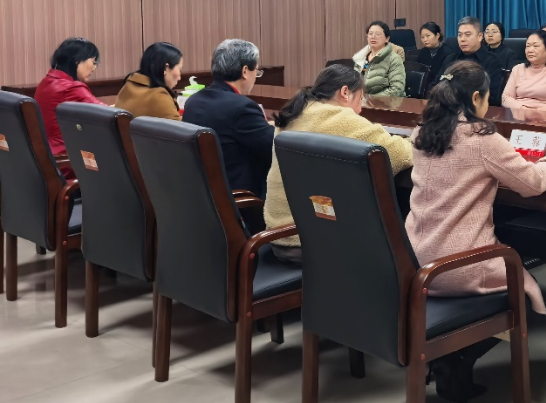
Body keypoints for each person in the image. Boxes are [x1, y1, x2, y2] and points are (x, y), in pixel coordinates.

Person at [408, 61, 546, 402]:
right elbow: (531, 183)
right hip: (458, 266)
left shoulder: (421, 132)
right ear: (476, 98)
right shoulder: (481, 138)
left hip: (415, 261)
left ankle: (449, 355)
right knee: (523, 289)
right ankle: (458, 356)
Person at [264, 64, 413, 264]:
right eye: (360, 98)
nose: (360, 109)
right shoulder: (339, 118)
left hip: (280, 235)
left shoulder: (294, 113)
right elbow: (400, 154)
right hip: (314, 243)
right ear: (345, 92)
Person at [182, 39, 274, 199]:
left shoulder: (194, 101)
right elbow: (273, 147)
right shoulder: (242, 107)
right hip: (241, 199)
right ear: (245, 71)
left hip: (203, 196)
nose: (256, 77)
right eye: (256, 71)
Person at [34, 37, 104, 160]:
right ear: (77, 61)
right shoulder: (72, 88)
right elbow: (109, 115)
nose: (94, 68)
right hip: (65, 157)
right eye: (93, 62)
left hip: (44, 153)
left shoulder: (47, 81)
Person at [434, 17, 504, 106]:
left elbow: (492, 97)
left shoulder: (492, 61)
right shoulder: (450, 59)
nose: (462, 39)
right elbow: (436, 85)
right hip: (446, 108)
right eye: (460, 35)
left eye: (467, 35)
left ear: (480, 36)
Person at [501, 31, 546, 112]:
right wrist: (523, 109)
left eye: (535, 46)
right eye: (527, 46)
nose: (530, 50)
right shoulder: (517, 69)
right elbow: (506, 98)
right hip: (520, 114)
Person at [115, 42, 184, 121]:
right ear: (166, 68)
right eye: (179, 69)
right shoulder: (159, 96)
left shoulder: (129, 86)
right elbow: (181, 127)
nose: (179, 78)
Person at [352, 21, 405, 97]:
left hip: (384, 102)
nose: (373, 37)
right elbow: (354, 84)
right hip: (362, 100)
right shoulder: (361, 58)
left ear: (387, 39)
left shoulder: (394, 59)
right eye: (370, 33)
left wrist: (369, 99)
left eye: (378, 34)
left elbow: (397, 90)